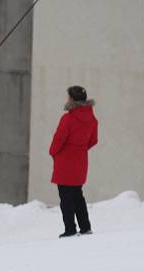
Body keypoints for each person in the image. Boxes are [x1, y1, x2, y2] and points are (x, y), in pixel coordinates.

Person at [49, 85, 98, 238]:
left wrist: (53, 153)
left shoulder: (68, 118)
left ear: (72, 99)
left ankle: (70, 229)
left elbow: (58, 139)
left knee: (65, 197)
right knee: (78, 195)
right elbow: (93, 140)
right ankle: (85, 227)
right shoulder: (92, 119)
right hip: (80, 161)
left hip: (65, 162)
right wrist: (80, 150)